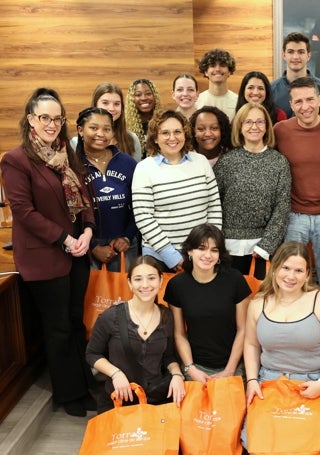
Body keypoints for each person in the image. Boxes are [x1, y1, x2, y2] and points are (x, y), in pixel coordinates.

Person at [1, 87, 96, 417]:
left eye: (57, 118)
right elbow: (25, 212)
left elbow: (83, 197)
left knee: (74, 321)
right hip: (44, 256)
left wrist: (86, 230)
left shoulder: (66, 154)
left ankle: (84, 386)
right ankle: (68, 394)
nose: (52, 124)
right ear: (31, 119)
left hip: (77, 253)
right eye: (45, 118)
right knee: (57, 328)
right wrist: (66, 240)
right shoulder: (16, 160)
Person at [243, 240, 320, 405]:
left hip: (312, 382)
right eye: (285, 268)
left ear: (307, 275)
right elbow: (251, 345)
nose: (291, 276)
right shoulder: (258, 303)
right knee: (256, 431)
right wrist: (252, 381)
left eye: (298, 270)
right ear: (275, 268)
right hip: (269, 382)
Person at [86, 256, 185, 414]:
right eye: (138, 279)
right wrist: (115, 373)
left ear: (160, 281)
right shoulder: (111, 317)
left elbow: (169, 357)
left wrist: (177, 375)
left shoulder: (167, 317)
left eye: (151, 278)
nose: (145, 285)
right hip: (118, 399)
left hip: (156, 400)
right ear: (130, 283)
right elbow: (92, 354)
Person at [274, 77, 320, 304]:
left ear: (319, 99)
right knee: (291, 279)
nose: (305, 107)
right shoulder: (281, 131)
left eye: (310, 99)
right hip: (294, 217)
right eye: (299, 101)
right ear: (291, 105)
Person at [132, 110, 222, 272]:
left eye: (177, 132)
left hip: (201, 256)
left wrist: (209, 248)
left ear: (185, 134)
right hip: (159, 258)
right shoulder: (144, 168)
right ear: (155, 138)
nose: (172, 138)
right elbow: (143, 217)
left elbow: (214, 206)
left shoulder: (200, 162)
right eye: (165, 133)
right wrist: (171, 256)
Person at [166, 224, 251, 382]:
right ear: (190, 251)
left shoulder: (235, 279)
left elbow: (243, 329)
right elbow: (179, 334)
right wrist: (190, 368)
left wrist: (230, 370)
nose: (208, 255)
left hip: (233, 364)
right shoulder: (177, 285)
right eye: (201, 248)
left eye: (214, 250)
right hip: (195, 366)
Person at [215, 103, 291, 277]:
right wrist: (217, 244)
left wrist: (267, 245)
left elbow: (282, 207)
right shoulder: (226, 162)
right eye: (248, 122)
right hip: (228, 247)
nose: (254, 127)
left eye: (259, 122)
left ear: (266, 127)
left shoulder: (279, 162)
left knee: (261, 301)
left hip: (262, 248)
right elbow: (214, 204)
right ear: (240, 127)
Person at [74, 107, 138, 272]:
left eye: (107, 129)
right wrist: (93, 246)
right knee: (94, 298)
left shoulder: (128, 163)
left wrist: (127, 236)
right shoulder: (72, 166)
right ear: (80, 130)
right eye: (94, 128)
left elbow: (140, 205)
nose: (101, 134)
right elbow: (71, 213)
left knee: (126, 296)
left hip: (124, 247)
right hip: (87, 247)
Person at [70, 82, 141, 161]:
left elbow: (136, 171)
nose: (111, 108)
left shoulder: (132, 139)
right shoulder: (75, 142)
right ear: (95, 105)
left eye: (116, 104)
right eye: (105, 103)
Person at [271, 32, 320, 119]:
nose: (295, 57)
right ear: (284, 55)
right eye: (291, 52)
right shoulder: (271, 90)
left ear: (308, 55)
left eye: (301, 52)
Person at [195, 48, 238, 120]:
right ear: (206, 72)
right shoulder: (197, 101)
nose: (217, 69)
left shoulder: (237, 101)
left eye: (222, 65)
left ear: (229, 71)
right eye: (212, 65)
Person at [125, 78, 163, 152]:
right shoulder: (125, 125)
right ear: (132, 99)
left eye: (148, 94)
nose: (144, 98)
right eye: (138, 95)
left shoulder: (163, 121)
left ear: (155, 96)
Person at [189, 106, 232, 170]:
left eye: (214, 128)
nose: (208, 134)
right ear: (193, 132)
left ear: (222, 130)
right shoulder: (186, 158)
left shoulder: (232, 157)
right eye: (201, 129)